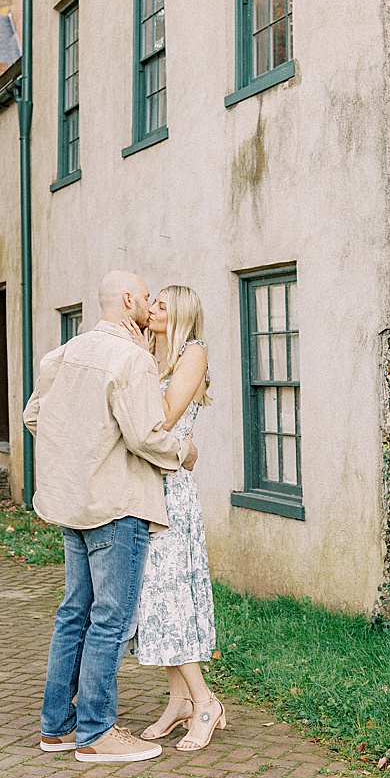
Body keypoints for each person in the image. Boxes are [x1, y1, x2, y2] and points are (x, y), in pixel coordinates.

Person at [27, 270, 199, 765]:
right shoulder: (133, 359)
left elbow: (34, 415)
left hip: (71, 505)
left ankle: (56, 727)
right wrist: (183, 452)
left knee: (73, 614)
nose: (150, 305)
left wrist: (79, 452)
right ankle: (97, 734)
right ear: (128, 300)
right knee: (110, 620)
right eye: (146, 297)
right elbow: (145, 434)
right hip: (117, 506)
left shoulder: (64, 353)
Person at [136, 285, 227, 752]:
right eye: (150, 302)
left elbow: (164, 419)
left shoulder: (194, 352)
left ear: (182, 314)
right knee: (155, 594)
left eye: (161, 305)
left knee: (171, 595)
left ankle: (206, 701)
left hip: (171, 491)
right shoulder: (153, 355)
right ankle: (179, 703)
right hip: (147, 484)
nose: (150, 309)